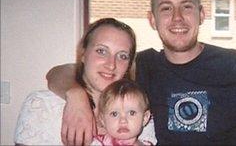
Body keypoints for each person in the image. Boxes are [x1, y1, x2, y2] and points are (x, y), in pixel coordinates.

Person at [47, 0, 236, 145]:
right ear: (152, 19)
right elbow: (63, 72)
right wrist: (76, 95)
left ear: (202, 14)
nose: (178, 18)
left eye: (187, 7)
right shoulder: (144, 65)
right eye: (166, 8)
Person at [14, 18, 156, 145]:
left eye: (122, 56)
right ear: (83, 54)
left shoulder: (139, 113)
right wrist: (76, 95)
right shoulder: (43, 106)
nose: (111, 64)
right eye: (101, 51)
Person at [91, 78, 152, 146]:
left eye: (131, 113)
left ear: (145, 118)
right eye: (115, 114)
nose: (123, 120)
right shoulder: (98, 143)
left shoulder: (149, 142)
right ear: (102, 120)